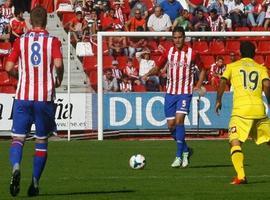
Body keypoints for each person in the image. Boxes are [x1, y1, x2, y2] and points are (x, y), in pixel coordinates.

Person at [5, 6, 64, 196]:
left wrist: (19, 75)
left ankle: (15, 167)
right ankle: (35, 182)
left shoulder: (20, 41)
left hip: (23, 96)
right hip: (44, 98)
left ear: (30, 21)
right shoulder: (52, 41)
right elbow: (58, 64)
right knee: (41, 141)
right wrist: (59, 78)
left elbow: (8, 66)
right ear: (46, 21)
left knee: (18, 139)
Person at [142, 27, 206, 168]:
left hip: (184, 92)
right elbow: (158, 67)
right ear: (172, 39)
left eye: (180, 37)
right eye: (175, 37)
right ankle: (186, 150)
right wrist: (147, 74)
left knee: (179, 120)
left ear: (184, 37)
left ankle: (178, 156)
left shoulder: (192, 53)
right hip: (170, 92)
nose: (177, 40)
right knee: (171, 125)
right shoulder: (169, 52)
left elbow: (203, 69)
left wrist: (198, 85)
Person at [215, 41, 270, 184]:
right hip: (259, 110)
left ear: (240, 53)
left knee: (235, 141)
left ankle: (241, 175)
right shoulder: (260, 68)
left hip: (241, 111)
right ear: (254, 54)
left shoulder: (232, 66)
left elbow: (222, 82)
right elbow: (267, 85)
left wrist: (218, 100)